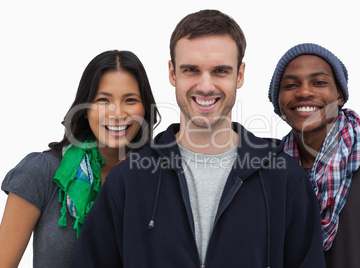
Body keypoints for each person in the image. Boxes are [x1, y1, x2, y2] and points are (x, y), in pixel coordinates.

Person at [70, 10, 325, 267]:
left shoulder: (283, 178)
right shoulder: (128, 180)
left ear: (240, 75)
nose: (205, 86)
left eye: (220, 71)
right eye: (191, 70)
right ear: (172, 73)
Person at [0, 50, 160, 268]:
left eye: (130, 100)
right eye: (103, 100)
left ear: (145, 110)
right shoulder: (42, 171)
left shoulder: (159, 177)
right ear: (85, 109)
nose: (117, 113)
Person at [268, 42, 360, 267]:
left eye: (319, 82)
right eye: (290, 85)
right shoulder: (269, 172)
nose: (304, 92)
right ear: (278, 102)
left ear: (339, 95)